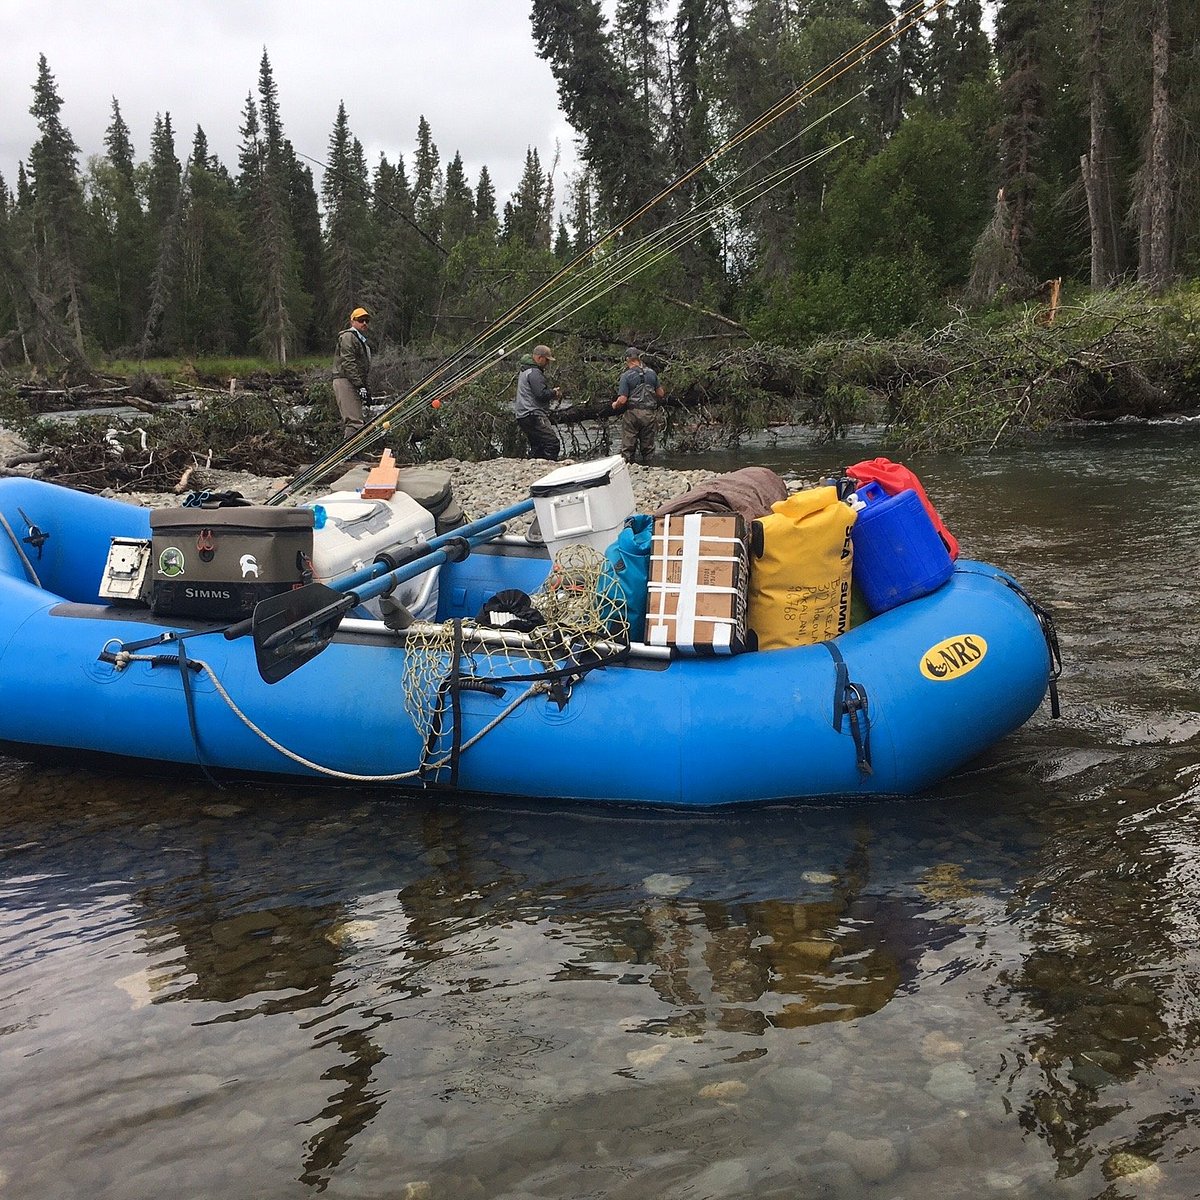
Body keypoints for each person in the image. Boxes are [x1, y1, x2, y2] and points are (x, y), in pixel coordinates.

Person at [612, 347, 665, 464]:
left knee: (628, 446)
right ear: (639, 358)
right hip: (649, 414)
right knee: (648, 447)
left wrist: (615, 405)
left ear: (627, 360)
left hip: (633, 414)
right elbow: (661, 393)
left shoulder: (626, 375)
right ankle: (649, 468)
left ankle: (629, 466)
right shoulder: (652, 373)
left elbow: (623, 399)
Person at [513, 344, 562, 460]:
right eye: (547, 360)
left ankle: (534, 466)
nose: (547, 363)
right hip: (533, 415)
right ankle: (550, 468)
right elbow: (540, 395)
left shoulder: (525, 370)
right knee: (552, 443)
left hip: (522, 415)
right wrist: (554, 393)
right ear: (540, 358)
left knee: (537, 446)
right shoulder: (534, 372)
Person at [332, 306, 372, 441]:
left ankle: (352, 453)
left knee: (357, 420)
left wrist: (364, 388)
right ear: (353, 322)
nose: (364, 323)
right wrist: (359, 385)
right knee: (354, 421)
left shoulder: (360, 340)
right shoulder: (348, 336)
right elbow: (348, 362)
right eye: (361, 320)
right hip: (344, 380)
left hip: (351, 381)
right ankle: (350, 455)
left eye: (366, 320)